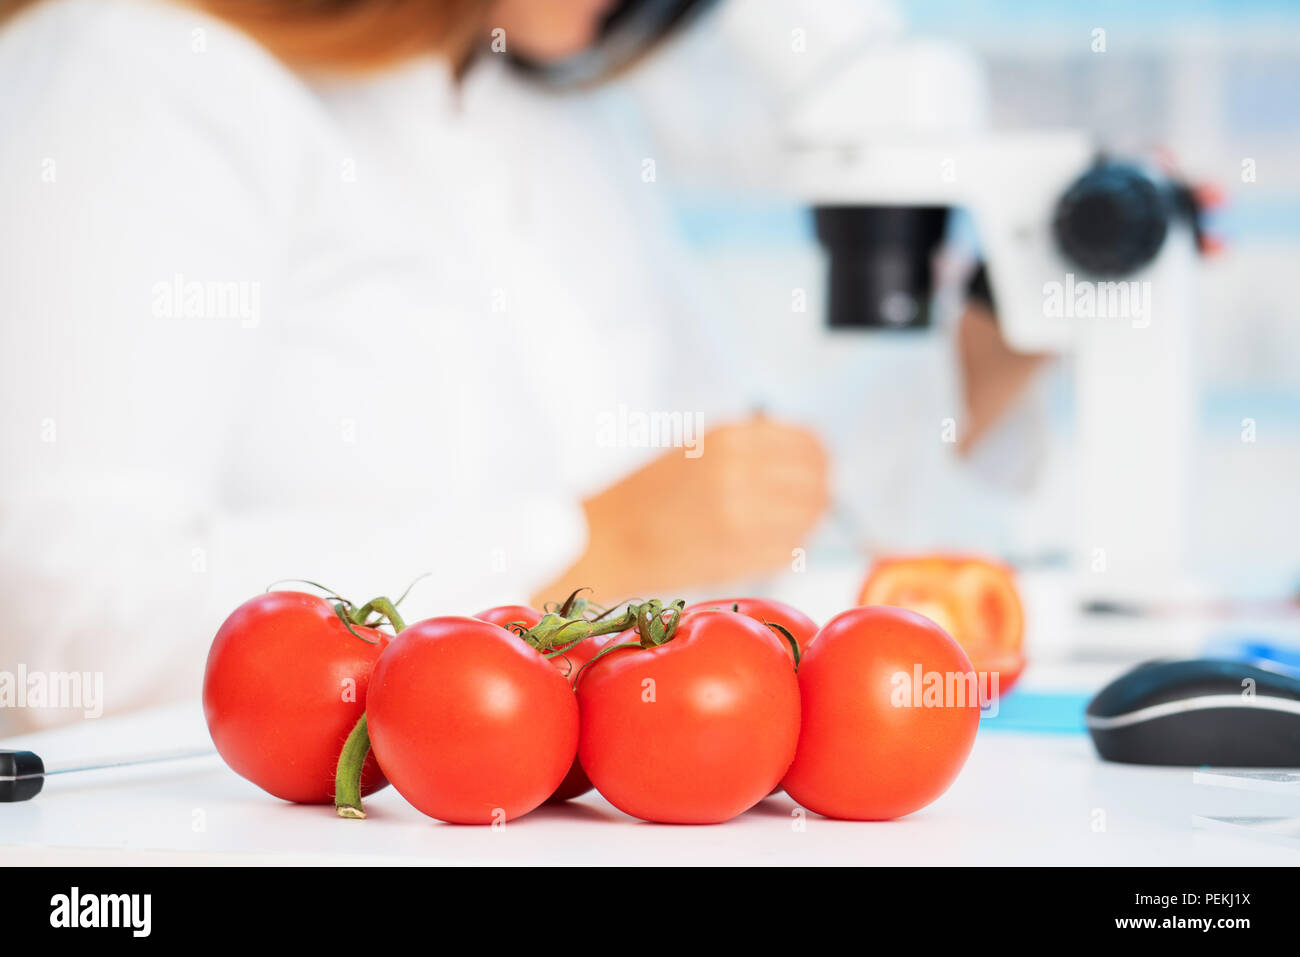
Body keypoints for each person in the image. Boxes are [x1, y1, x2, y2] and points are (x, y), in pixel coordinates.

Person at [0, 0, 1042, 731]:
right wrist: (575, 552)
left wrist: (988, 358)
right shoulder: (135, 71)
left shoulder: (556, 108)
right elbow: (66, 624)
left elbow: (733, 511)